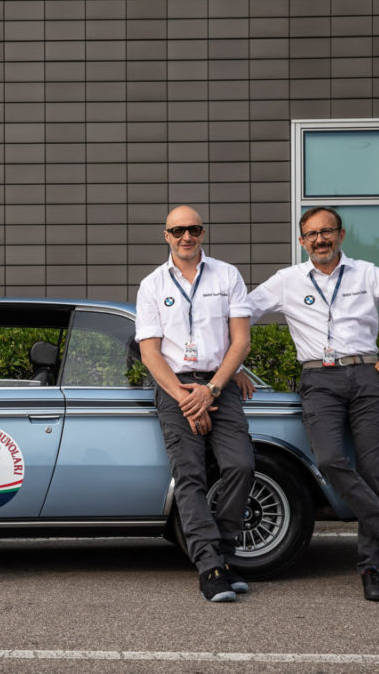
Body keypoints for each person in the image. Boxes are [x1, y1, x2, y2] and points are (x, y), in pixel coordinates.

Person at [248, 206, 379, 601]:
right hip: (320, 380)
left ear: (341, 235)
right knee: (330, 460)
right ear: (302, 241)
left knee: (373, 470)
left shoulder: (366, 273)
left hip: (368, 376)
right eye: (312, 234)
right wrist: (231, 365)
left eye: (327, 231)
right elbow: (240, 313)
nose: (320, 239)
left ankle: (373, 567)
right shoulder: (287, 281)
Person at [135, 205, 255, 603]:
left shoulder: (227, 275)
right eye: (178, 230)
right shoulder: (152, 284)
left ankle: (221, 552)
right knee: (190, 477)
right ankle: (211, 567)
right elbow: (150, 352)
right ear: (166, 235)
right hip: (175, 389)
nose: (187, 236)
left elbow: (240, 341)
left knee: (240, 465)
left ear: (202, 233)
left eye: (194, 229)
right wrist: (186, 397)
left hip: (219, 385)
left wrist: (213, 389)